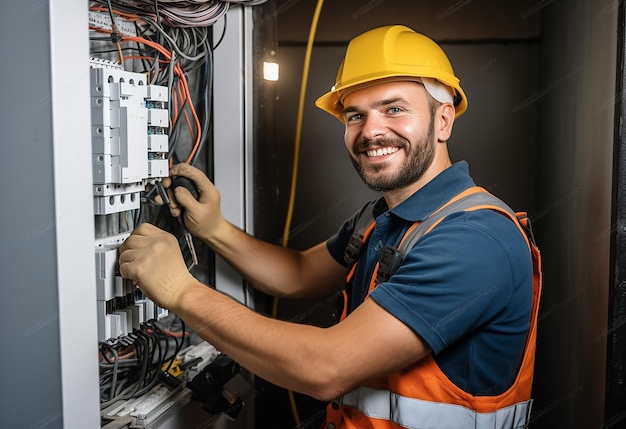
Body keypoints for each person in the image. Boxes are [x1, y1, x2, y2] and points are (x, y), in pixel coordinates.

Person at [119, 25, 541, 429]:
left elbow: (327, 368)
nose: (371, 131)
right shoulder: (381, 221)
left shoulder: (473, 240)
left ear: (443, 120)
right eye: (355, 115)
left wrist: (180, 291)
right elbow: (298, 274)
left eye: (394, 109)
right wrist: (214, 229)